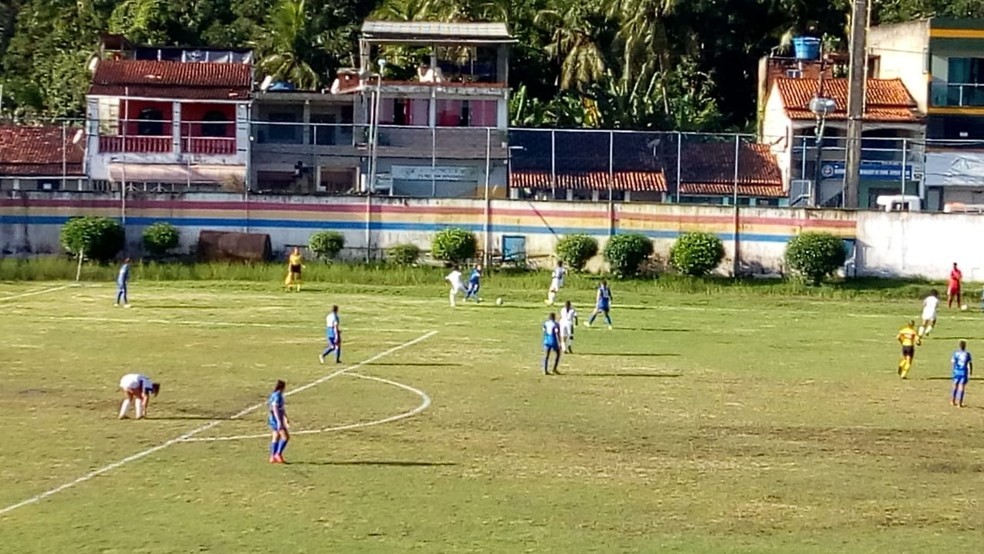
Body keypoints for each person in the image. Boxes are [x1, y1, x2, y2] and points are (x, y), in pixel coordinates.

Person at [268, 380, 290, 464]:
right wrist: (279, 421)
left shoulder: (274, 394)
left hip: (273, 418)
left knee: (276, 437)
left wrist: (285, 417)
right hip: (276, 419)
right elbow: (275, 407)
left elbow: (281, 408)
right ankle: (278, 454)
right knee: (285, 437)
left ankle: (272, 457)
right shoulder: (278, 396)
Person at [951, 340, 973, 407]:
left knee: (955, 385)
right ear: (965, 346)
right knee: (962, 387)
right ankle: (959, 403)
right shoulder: (967, 354)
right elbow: (970, 363)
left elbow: (953, 362)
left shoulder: (956, 353)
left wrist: (953, 370)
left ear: (959, 346)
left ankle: (952, 401)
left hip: (956, 371)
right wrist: (971, 371)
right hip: (964, 372)